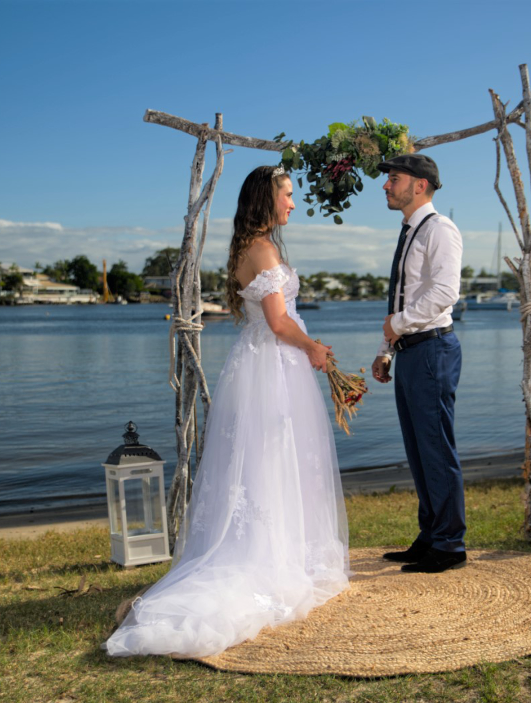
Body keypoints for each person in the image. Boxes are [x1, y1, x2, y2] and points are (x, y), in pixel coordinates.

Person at [105, 165, 349, 658]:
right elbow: (279, 323)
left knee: (266, 463)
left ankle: (278, 546)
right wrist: (314, 349)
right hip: (275, 366)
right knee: (275, 458)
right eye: (287, 195)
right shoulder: (262, 249)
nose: (293, 204)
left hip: (260, 366)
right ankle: (270, 560)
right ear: (267, 198)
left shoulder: (245, 248)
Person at [371, 153, 467, 574]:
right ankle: (431, 535)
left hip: (432, 350)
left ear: (420, 185)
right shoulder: (411, 230)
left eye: (394, 179)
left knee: (435, 448)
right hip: (412, 351)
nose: (386, 186)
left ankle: (449, 546)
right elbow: (403, 296)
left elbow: (445, 293)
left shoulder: (440, 229)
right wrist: (387, 348)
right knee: (418, 450)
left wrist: (398, 325)